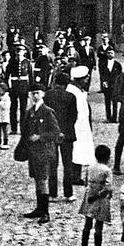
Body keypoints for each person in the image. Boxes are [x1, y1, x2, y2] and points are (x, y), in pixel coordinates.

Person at [20, 83, 61, 223]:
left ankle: (45, 211)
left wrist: (40, 136)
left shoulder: (47, 111)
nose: (35, 96)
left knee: (43, 180)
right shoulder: (30, 111)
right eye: (32, 93)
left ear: (43, 94)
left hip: (44, 151)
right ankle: (39, 208)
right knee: (37, 179)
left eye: (37, 93)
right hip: (33, 152)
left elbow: (56, 132)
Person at [43, 72, 78, 201]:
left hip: (51, 134)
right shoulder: (71, 97)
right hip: (67, 134)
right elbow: (73, 117)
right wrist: (64, 130)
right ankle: (68, 194)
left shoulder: (47, 95)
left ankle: (52, 194)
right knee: (67, 164)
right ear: (66, 84)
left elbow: (45, 116)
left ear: (55, 82)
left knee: (53, 165)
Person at [78, 144, 113, 246]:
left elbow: (85, 182)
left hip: (89, 195)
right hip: (100, 198)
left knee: (87, 222)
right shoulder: (107, 170)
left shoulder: (90, 167)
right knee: (99, 224)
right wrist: (101, 195)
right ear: (107, 157)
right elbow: (108, 187)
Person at [66, 65, 95, 190]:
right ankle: (74, 176)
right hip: (77, 125)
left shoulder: (79, 91)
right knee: (76, 150)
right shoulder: (73, 92)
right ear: (79, 79)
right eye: (85, 78)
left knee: (80, 150)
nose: (87, 80)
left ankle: (76, 175)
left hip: (82, 124)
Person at [6, 46, 32, 135]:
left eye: (21, 51)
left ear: (24, 52)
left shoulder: (27, 62)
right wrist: (8, 87)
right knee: (13, 108)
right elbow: (7, 75)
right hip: (14, 86)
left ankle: (23, 128)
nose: (20, 53)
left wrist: (30, 89)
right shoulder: (12, 62)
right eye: (18, 51)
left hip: (24, 87)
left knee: (23, 109)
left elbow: (31, 76)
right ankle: (13, 129)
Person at [97, 48, 122, 123]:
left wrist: (118, 85)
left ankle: (114, 118)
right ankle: (108, 117)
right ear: (106, 54)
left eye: (111, 53)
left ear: (114, 54)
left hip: (115, 85)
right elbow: (102, 74)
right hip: (107, 85)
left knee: (115, 102)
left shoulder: (118, 64)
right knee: (107, 102)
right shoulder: (103, 64)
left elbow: (120, 75)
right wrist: (104, 81)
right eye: (108, 53)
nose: (110, 54)